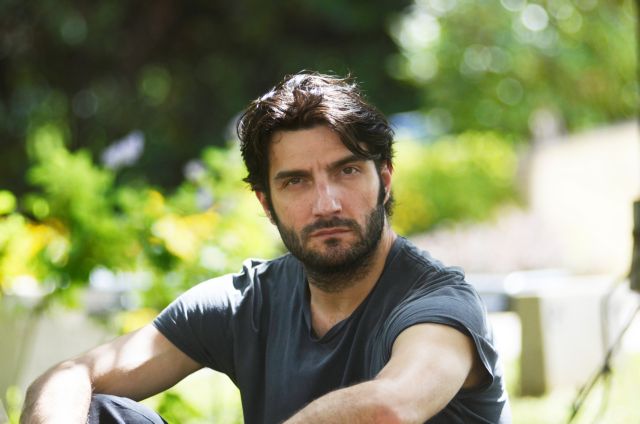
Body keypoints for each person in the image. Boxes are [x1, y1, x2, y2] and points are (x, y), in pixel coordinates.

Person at [21, 72, 511, 423]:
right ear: (266, 202)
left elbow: (390, 408)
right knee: (99, 411)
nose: (326, 203)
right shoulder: (248, 302)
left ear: (384, 179)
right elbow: (70, 376)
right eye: (296, 181)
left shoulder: (439, 306)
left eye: (346, 171)